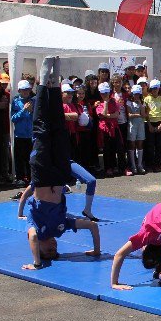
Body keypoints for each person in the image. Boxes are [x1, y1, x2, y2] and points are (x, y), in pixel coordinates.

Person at [19, 57, 101, 270]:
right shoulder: (61, 227)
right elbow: (92, 226)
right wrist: (97, 250)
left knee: (41, 129)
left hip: (43, 174)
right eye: (56, 250)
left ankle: (44, 80)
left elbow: (34, 238)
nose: (53, 246)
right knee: (58, 127)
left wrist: (37, 262)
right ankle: (55, 82)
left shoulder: (34, 227)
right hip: (59, 173)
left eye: (49, 250)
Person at [10, 80, 35, 184]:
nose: (26, 92)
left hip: (30, 135)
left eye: (27, 89)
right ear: (19, 90)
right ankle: (20, 177)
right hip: (19, 135)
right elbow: (13, 118)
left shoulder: (33, 101)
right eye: (23, 90)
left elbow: (35, 117)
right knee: (19, 158)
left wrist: (31, 111)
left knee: (30, 157)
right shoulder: (16, 102)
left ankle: (31, 177)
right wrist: (24, 110)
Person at [126, 84, 146, 174]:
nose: (136, 96)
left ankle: (139, 164)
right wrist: (138, 115)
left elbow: (144, 114)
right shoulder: (129, 102)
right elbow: (129, 115)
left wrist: (141, 105)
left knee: (140, 143)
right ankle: (133, 165)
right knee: (132, 144)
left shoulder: (142, 102)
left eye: (138, 94)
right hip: (132, 125)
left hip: (140, 125)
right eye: (135, 94)